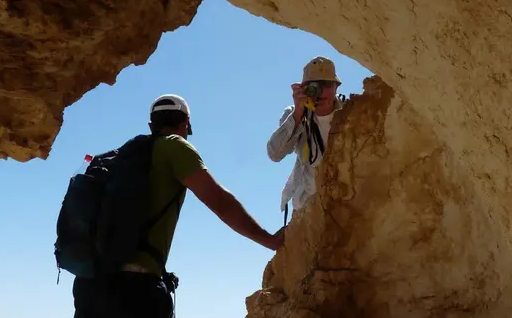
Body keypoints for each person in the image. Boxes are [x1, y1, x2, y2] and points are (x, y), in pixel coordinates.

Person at [72, 94, 285, 318]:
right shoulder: (175, 146)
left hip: (89, 286)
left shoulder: (121, 157)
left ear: (151, 125)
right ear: (185, 124)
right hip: (136, 291)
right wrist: (268, 240)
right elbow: (220, 201)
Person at [266, 56, 345, 225]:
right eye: (314, 86)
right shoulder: (295, 115)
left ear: (336, 86)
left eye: (325, 84)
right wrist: (298, 112)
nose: (320, 92)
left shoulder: (351, 111)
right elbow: (274, 154)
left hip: (342, 206)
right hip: (307, 210)